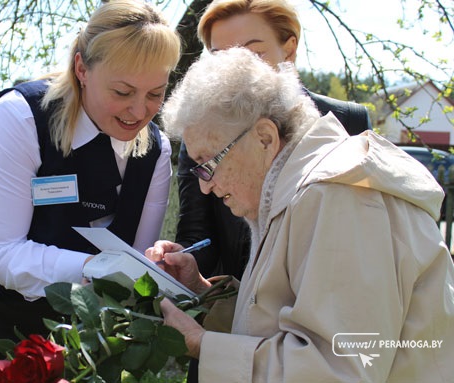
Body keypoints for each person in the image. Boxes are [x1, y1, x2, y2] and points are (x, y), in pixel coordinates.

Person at [148, 47, 454, 382]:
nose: (206, 187)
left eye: (208, 164)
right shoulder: (302, 190)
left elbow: (337, 369)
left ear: (265, 137)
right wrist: (203, 294)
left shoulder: (339, 195)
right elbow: (288, 320)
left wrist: (204, 346)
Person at [0, 1, 181, 382]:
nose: (138, 112)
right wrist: (98, 269)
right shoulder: (19, 117)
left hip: (69, 335)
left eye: (155, 94)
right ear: (82, 69)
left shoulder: (156, 151)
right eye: (122, 91)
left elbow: (133, 261)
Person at [176, 0, 373, 280]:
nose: (237, 71)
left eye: (252, 54)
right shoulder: (201, 139)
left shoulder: (348, 123)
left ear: (289, 49)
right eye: (221, 58)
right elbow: (197, 236)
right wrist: (182, 263)